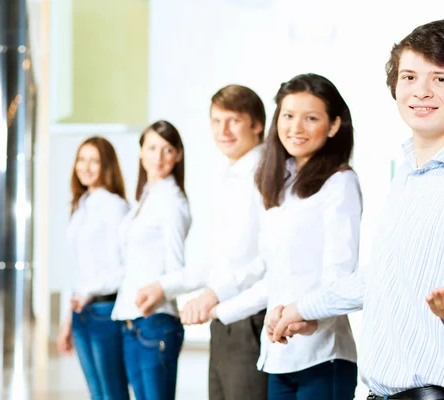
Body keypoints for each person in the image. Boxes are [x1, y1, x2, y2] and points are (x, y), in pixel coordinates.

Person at [269, 19, 444, 400]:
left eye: (440, 79)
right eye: (409, 76)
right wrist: (304, 308)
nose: (420, 91)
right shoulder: (409, 175)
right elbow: (384, 276)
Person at [207, 73, 362, 400]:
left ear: (333, 126)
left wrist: (308, 318)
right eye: (288, 116)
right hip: (278, 356)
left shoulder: (340, 183)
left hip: (322, 359)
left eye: (311, 118)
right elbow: (275, 274)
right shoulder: (282, 184)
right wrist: (221, 308)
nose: (296, 127)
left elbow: (339, 277)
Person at [134, 85, 270, 400]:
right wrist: (164, 287)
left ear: (256, 124)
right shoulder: (228, 175)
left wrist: (213, 293)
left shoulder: (266, 174)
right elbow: (220, 261)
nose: (222, 130)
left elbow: (268, 258)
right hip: (223, 316)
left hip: (251, 318)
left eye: (233, 120)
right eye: (215, 121)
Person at [111, 120, 191, 400]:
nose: (159, 157)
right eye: (152, 148)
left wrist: (157, 291)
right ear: (141, 152)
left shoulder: (173, 203)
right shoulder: (146, 198)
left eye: (167, 149)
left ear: (178, 155)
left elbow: (176, 269)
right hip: (132, 320)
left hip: (155, 320)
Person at [57, 136, 130, 400]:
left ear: (107, 165)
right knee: (96, 393)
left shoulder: (115, 206)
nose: (85, 167)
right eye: (82, 159)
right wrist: (67, 320)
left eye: (94, 161)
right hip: (81, 311)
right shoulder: (81, 206)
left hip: (104, 309)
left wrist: (87, 292)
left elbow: (123, 267)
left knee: (112, 393)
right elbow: (77, 267)